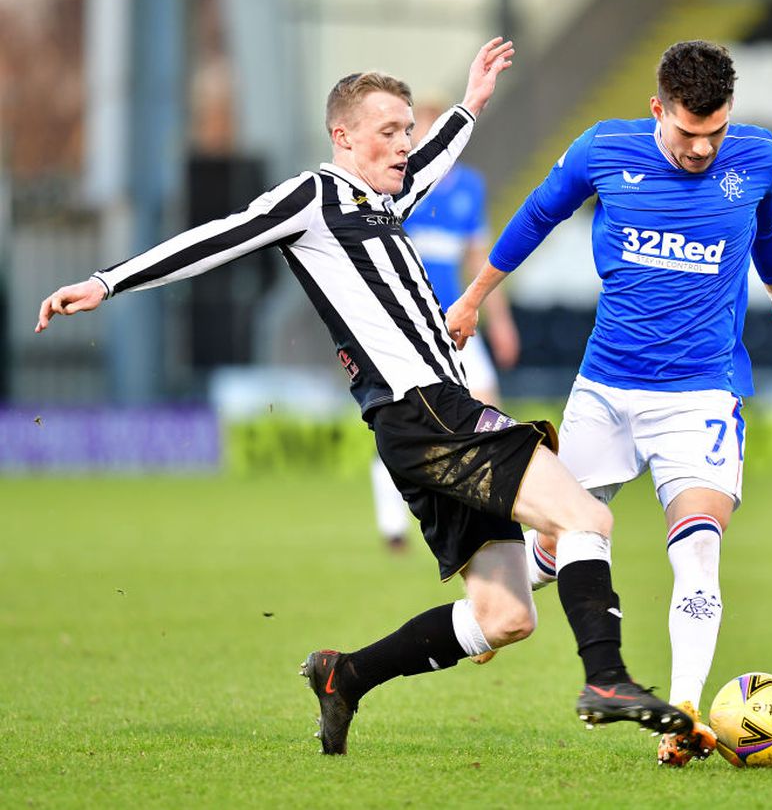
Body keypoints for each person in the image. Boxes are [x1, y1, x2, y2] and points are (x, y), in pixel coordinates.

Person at [35, 38, 692, 756]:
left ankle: (344, 675)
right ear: (341, 137)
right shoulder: (312, 198)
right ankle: (607, 677)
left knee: (505, 615)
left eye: (407, 130)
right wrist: (105, 281)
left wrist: (470, 103)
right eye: (388, 131)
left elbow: (433, 162)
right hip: (430, 411)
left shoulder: (383, 200)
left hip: (417, 425)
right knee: (584, 516)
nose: (404, 144)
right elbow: (217, 237)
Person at [446, 40, 772, 767]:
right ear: (656, 109)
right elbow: (536, 216)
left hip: (701, 396)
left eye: (715, 132)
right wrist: (474, 298)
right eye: (688, 132)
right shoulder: (605, 151)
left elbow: (770, 226)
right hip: (604, 390)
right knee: (551, 546)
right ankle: (487, 614)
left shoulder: (756, 158)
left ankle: (684, 712)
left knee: (698, 551)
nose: (702, 149)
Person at [370, 99, 519, 554]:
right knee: (401, 416)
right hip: (407, 322)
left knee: (488, 406)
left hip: (454, 319)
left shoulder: (469, 188)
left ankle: (495, 510)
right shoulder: (396, 187)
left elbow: (477, 256)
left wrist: (501, 322)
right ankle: (392, 524)